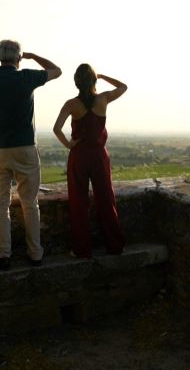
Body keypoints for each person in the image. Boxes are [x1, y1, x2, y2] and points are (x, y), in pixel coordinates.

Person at [0, 40, 62, 270]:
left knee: (0, 204)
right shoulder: (27, 77)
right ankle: (35, 253)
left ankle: (3, 254)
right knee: (30, 204)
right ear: (18, 58)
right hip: (25, 148)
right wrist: (34, 56)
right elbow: (57, 70)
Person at [52, 64, 127, 258]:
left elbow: (56, 129)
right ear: (93, 81)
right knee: (106, 199)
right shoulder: (103, 98)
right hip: (99, 156)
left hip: (79, 156)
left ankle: (82, 250)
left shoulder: (71, 104)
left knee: (79, 202)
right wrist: (102, 76)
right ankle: (115, 245)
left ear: (76, 82)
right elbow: (123, 86)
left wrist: (69, 145)